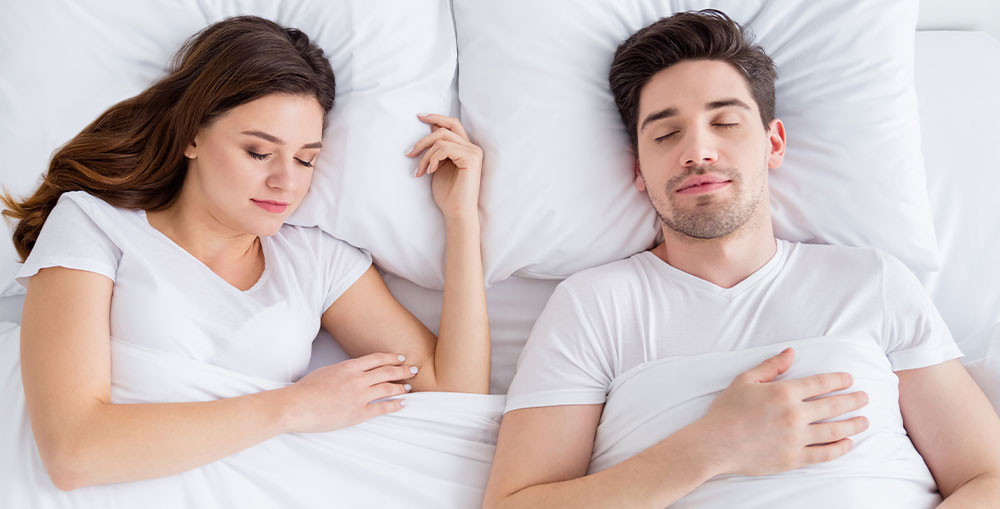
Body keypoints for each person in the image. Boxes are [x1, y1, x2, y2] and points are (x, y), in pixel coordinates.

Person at [483, 9, 1000, 508]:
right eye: (666, 134)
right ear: (639, 170)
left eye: (726, 123)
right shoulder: (594, 305)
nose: (699, 151)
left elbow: (988, 477)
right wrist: (708, 449)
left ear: (773, 143)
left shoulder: (872, 280)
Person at [2, 15, 489, 491]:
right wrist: (296, 407)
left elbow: (454, 394)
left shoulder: (316, 260)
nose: (287, 181)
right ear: (192, 134)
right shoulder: (93, 224)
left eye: (306, 159)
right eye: (259, 152)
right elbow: (73, 454)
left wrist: (461, 219)